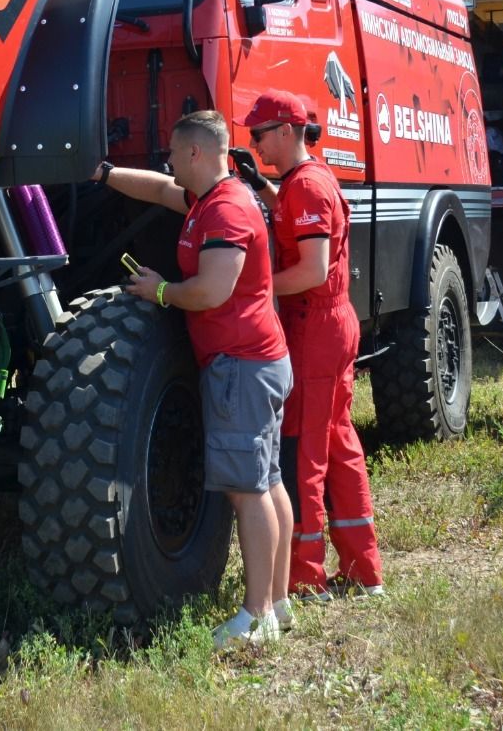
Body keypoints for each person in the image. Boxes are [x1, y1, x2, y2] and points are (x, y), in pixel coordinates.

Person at [96, 110, 294, 647]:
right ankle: (277, 603)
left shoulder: (226, 211)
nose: (168, 162)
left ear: (196, 154)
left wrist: (161, 291)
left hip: (242, 367)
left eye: (173, 153)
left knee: (246, 490)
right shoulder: (208, 198)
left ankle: (256, 617)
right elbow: (161, 190)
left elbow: (211, 291)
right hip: (255, 361)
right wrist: (105, 173)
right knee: (268, 480)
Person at [229, 90, 385, 600]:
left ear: (287, 131)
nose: (254, 143)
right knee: (338, 443)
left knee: (306, 452)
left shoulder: (309, 188)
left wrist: (256, 284)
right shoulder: (302, 182)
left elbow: (313, 270)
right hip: (328, 325)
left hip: (317, 327)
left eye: (259, 135)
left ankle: (305, 575)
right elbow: (295, 220)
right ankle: (364, 570)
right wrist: (259, 184)